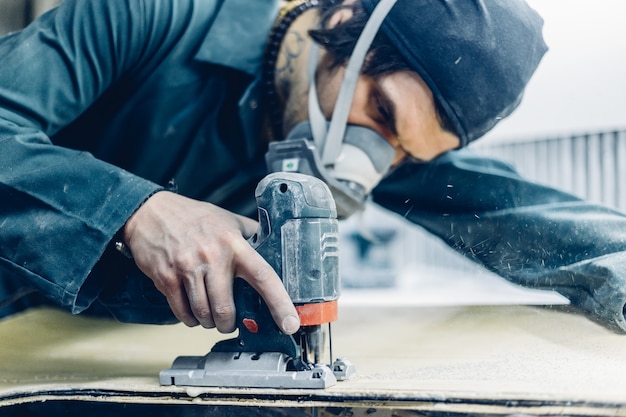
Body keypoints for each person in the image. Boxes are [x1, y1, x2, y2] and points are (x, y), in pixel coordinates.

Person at [1, 0, 626, 336]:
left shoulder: (386, 135)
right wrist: (137, 212)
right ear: (344, 18)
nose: (374, 159)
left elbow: (521, 213)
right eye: (381, 111)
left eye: (408, 153)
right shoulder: (147, 16)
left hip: (86, 348)